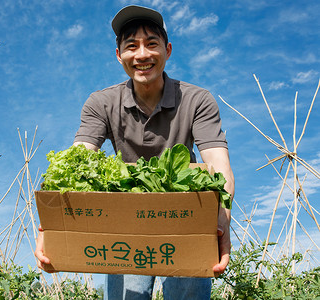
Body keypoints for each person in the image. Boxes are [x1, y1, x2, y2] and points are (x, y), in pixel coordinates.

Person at [35, 5, 234, 300]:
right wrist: (51, 228)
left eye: (151, 44)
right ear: (119, 56)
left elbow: (218, 164)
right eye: (131, 46)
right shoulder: (101, 102)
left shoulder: (197, 99)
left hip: (184, 216)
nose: (142, 55)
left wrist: (221, 221)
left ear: (167, 50)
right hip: (124, 220)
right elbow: (78, 159)